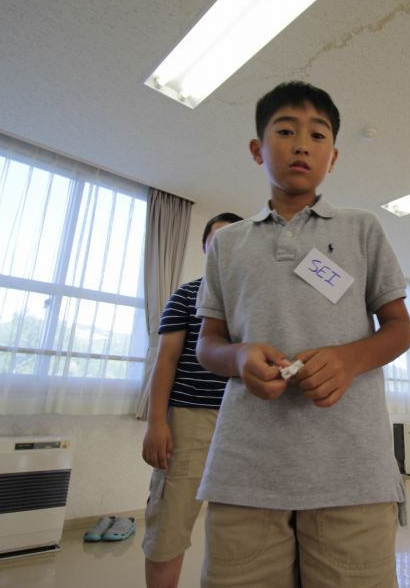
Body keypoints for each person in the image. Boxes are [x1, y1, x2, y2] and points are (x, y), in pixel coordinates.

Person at [195, 81, 410, 588]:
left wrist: (350, 360)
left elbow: (400, 329)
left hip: (352, 470)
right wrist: (240, 355)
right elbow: (208, 344)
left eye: (317, 135)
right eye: (286, 131)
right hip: (244, 471)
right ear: (257, 149)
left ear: (332, 158)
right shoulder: (226, 244)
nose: (301, 145)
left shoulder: (363, 229)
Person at [141, 211, 243, 588]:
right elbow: (165, 358)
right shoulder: (186, 294)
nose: (224, 247)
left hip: (244, 421)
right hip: (190, 418)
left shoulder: (256, 300)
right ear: (205, 248)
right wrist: (156, 421)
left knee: (241, 529)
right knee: (170, 521)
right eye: (216, 239)